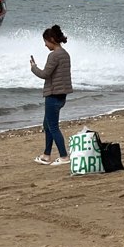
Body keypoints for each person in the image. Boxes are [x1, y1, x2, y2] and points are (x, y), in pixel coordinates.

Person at [29, 25, 74, 166]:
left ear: (52, 39)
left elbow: (44, 74)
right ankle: (46, 155)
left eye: (46, 41)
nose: (45, 44)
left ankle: (64, 156)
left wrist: (33, 67)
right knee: (47, 125)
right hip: (62, 95)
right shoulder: (65, 54)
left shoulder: (54, 55)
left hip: (53, 95)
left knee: (53, 126)